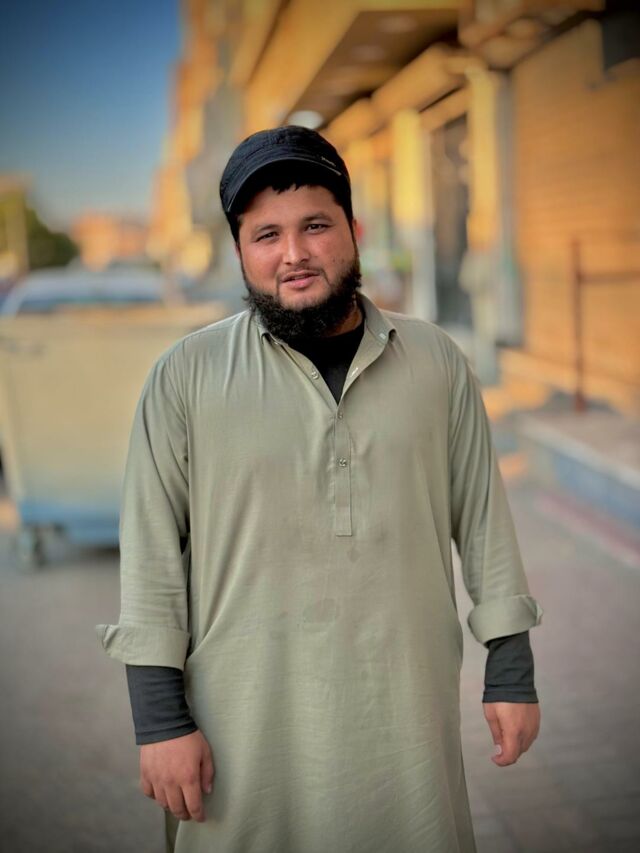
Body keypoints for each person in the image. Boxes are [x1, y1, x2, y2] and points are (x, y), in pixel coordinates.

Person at [96, 125, 543, 853]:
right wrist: (160, 722)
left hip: (407, 727)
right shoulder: (185, 376)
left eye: (315, 225)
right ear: (240, 252)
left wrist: (512, 669)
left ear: (353, 230)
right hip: (242, 736)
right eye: (266, 234)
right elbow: (150, 556)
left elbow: (485, 520)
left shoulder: (436, 362)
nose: (294, 253)